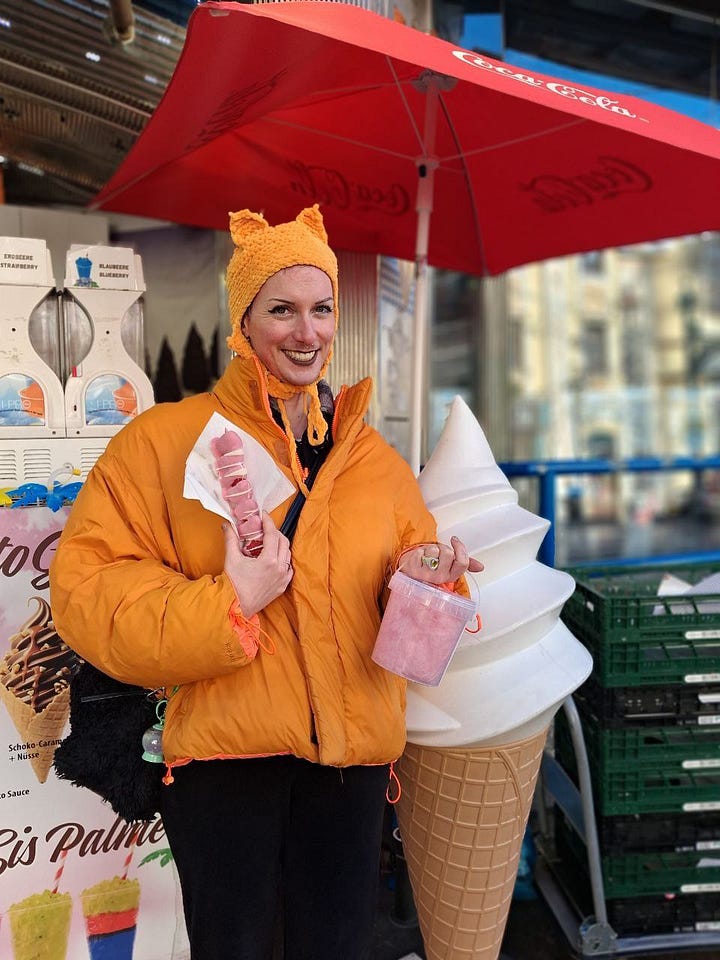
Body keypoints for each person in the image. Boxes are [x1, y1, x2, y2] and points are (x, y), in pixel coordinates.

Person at [50, 205, 482, 960]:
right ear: (243, 322)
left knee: (337, 948)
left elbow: (409, 647)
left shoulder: (375, 462)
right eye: (281, 309)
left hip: (350, 769)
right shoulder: (162, 442)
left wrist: (423, 586)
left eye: (320, 310)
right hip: (224, 770)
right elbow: (86, 594)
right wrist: (230, 602)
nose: (305, 332)